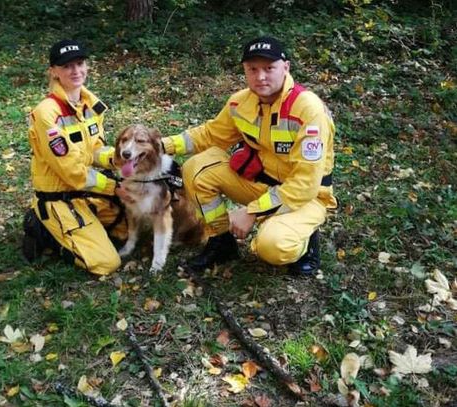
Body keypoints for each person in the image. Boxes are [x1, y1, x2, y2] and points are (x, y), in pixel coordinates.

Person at [161, 36, 337, 276]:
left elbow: (305, 184)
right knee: (197, 168)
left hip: (306, 196)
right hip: (262, 184)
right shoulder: (241, 102)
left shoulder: (307, 109)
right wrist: (160, 146)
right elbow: (210, 135)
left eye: (269, 68)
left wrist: (252, 212)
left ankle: (305, 241)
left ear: (285, 68)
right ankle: (221, 241)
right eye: (253, 69)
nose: (260, 76)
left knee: (272, 247)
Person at [22, 39, 128, 276]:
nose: (76, 71)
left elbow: (95, 151)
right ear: (54, 72)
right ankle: (42, 228)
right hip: (59, 197)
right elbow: (71, 171)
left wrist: (119, 159)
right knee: (107, 263)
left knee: (127, 232)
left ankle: (87, 220)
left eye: (80, 63)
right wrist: (114, 187)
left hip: (84, 193)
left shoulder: (89, 105)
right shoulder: (47, 113)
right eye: (67, 66)